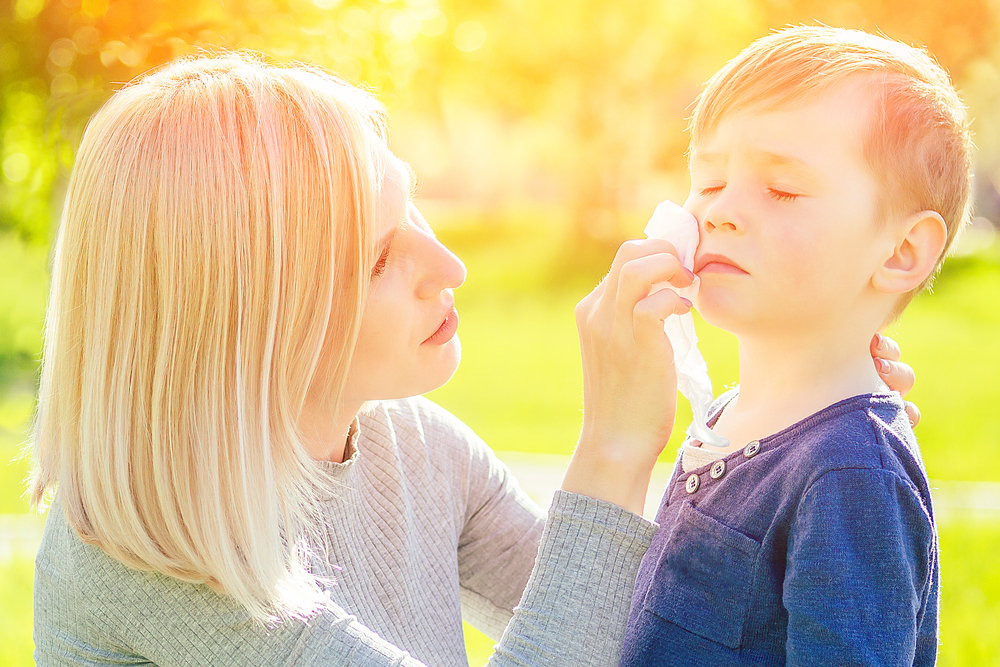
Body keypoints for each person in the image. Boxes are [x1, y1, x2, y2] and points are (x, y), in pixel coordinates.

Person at [27, 54, 918, 667]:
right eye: (379, 258)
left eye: (414, 210)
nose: (447, 267)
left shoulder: (413, 446)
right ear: (243, 317)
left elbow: (614, 617)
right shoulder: (158, 551)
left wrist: (787, 437)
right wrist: (611, 448)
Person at [618, 27, 968, 666]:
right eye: (711, 181)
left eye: (781, 190)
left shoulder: (849, 473)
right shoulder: (725, 420)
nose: (721, 212)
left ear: (901, 251)